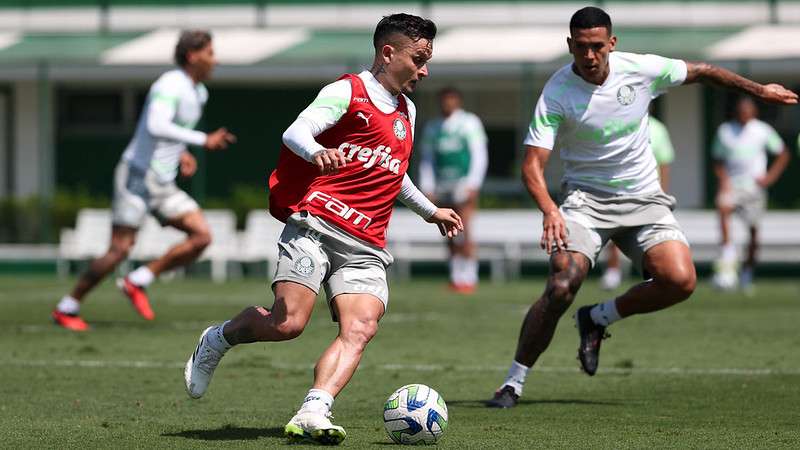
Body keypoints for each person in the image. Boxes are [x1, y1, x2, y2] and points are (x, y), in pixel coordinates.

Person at [486, 6, 796, 409]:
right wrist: (549, 209)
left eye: (598, 46)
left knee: (680, 281)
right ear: (570, 46)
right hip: (585, 201)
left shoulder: (642, 69)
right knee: (562, 283)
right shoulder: (557, 90)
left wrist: (760, 90)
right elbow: (532, 164)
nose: (590, 55)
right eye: (581, 47)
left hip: (645, 199)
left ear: (612, 44)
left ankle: (597, 318)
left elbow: (702, 70)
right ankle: (513, 383)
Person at [183, 14, 462, 445]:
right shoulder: (346, 91)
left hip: (367, 243)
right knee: (288, 324)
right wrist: (316, 151)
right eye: (419, 59)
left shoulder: (407, 108)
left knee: (361, 328)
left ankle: (314, 409)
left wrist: (430, 211)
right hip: (318, 225)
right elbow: (296, 131)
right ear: (388, 53)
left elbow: (394, 171)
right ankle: (218, 338)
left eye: (428, 60)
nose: (424, 70)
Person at [51, 30, 236, 332]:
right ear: (193, 56)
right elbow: (155, 124)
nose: (215, 60)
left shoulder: (199, 92)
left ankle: (139, 280)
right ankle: (67, 307)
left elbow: (169, 132)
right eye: (210, 53)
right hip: (137, 175)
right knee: (120, 249)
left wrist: (182, 153)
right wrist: (202, 140)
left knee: (201, 236)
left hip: (162, 182)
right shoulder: (169, 83)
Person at [710, 97, 790, 292]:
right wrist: (723, 180)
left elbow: (782, 153)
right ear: (736, 112)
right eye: (741, 110)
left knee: (753, 234)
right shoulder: (725, 131)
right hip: (732, 185)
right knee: (723, 207)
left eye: (748, 110)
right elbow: (717, 160)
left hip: (754, 189)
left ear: (754, 112)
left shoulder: (762, 130)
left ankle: (746, 273)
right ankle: (728, 257)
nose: (744, 113)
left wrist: (769, 177)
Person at [418, 87, 488, 293]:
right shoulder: (433, 127)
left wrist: (473, 183)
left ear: (458, 101)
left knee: (465, 229)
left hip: (463, 183)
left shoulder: (469, 122)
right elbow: (427, 158)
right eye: (444, 100)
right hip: (442, 184)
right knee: (447, 231)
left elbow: (479, 155)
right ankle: (455, 275)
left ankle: (469, 275)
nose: (447, 104)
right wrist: (427, 185)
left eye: (451, 100)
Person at [601, 112, 675, 290]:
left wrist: (662, 193)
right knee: (615, 231)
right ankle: (613, 271)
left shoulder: (658, 128)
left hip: (649, 193)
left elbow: (664, 162)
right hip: (619, 188)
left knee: (651, 236)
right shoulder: (618, 123)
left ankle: (651, 274)